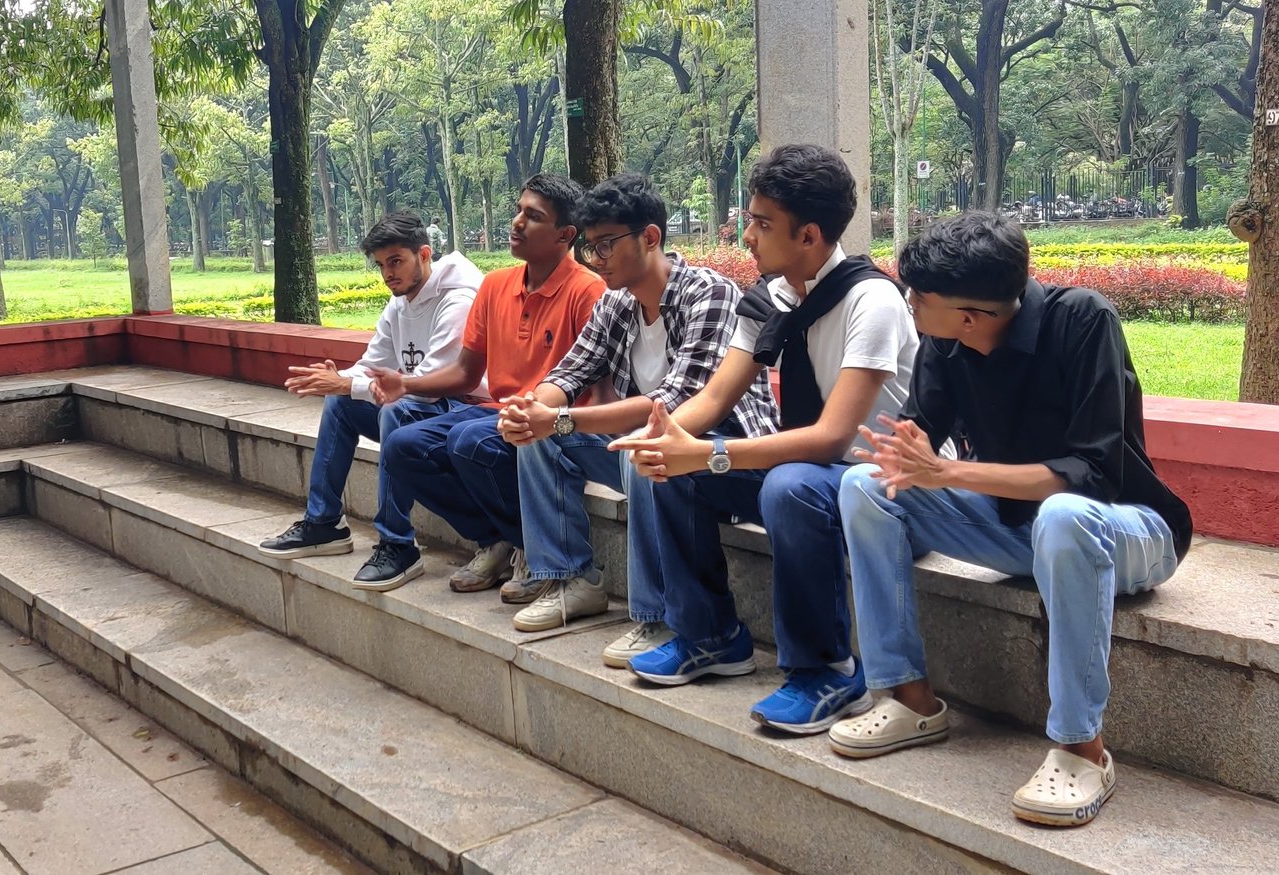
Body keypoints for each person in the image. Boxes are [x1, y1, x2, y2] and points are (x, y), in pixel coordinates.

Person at [829, 211, 1192, 828]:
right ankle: (910, 698)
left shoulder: (1082, 320)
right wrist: (908, 450)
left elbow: (1090, 475)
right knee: (865, 485)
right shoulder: (946, 342)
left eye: (917, 295)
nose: (907, 301)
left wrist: (949, 474)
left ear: (970, 314)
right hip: (1020, 529)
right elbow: (923, 436)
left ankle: (1083, 749)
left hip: (1123, 529)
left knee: (1065, 514)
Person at [609, 145, 918, 738]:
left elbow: (831, 439)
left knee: (790, 486)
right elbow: (717, 396)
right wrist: (672, 434)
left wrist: (708, 452)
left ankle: (825, 667)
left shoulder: (871, 301)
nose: (745, 235)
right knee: (675, 467)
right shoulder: (771, 297)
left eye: (761, 223)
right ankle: (711, 637)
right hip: (809, 472)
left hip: (879, 484)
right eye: (748, 219)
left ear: (808, 235)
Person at [495, 173, 775, 636]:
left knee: (645, 452)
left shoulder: (709, 293)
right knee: (540, 440)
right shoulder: (615, 304)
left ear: (650, 237)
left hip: (723, 454)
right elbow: (569, 373)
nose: (595, 259)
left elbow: (674, 403)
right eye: (589, 247)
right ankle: (570, 580)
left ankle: (656, 618)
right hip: (653, 447)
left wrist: (560, 418)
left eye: (605, 244)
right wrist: (531, 410)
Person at [370, 175, 606, 592]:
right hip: (494, 414)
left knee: (468, 440)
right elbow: (464, 374)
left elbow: (593, 384)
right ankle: (499, 540)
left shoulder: (587, 292)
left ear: (565, 234)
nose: (517, 222)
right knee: (403, 447)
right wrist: (406, 384)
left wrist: (544, 413)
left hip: (553, 421)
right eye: (519, 210)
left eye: (533, 217)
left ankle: (536, 552)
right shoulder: (496, 285)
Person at [258, 211, 485, 589]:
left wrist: (350, 385)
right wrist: (336, 380)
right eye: (381, 265)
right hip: (423, 404)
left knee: (396, 409)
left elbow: (434, 383)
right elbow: (373, 366)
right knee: (341, 404)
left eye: (396, 261)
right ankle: (324, 523)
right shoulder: (399, 304)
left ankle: (398, 544)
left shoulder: (458, 299)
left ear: (424, 254)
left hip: (466, 410)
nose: (387, 274)